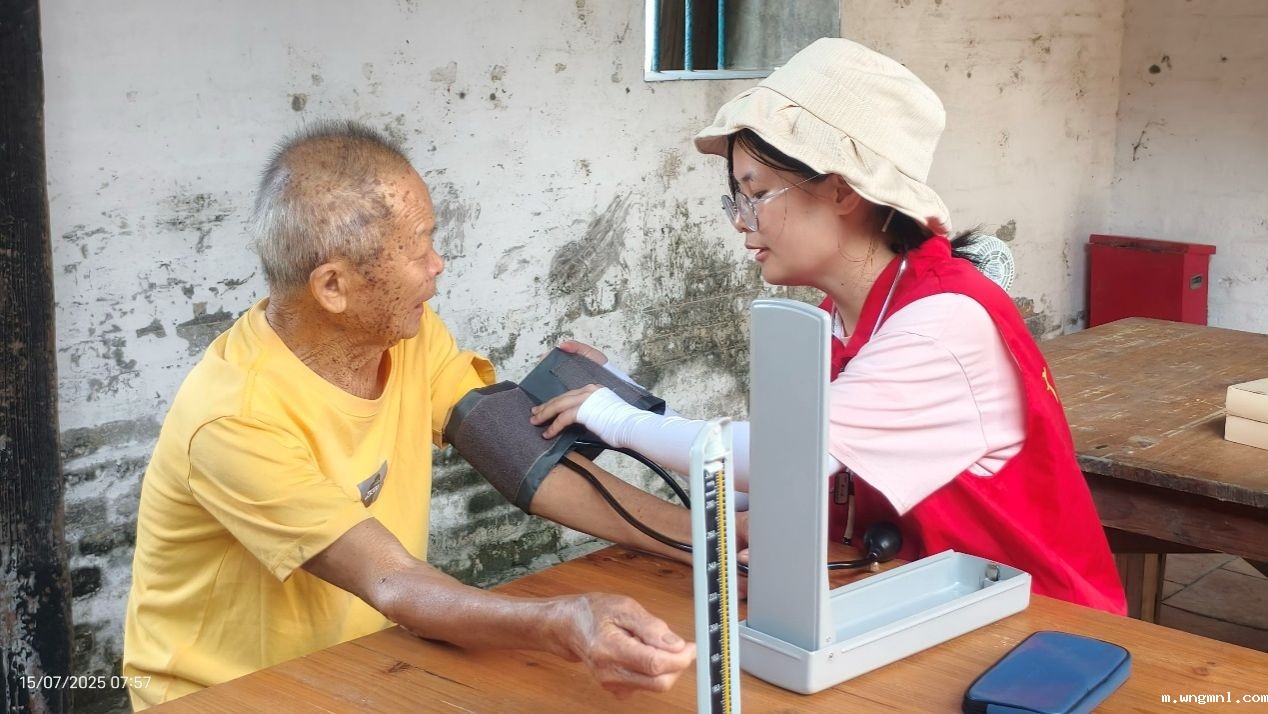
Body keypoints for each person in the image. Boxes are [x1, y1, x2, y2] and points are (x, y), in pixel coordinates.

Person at [530, 39, 1127, 615]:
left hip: (1043, 626)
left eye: (757, 194)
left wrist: (618, 418)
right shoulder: (838, 318)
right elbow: (798, 470)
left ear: (841, 190)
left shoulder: (939, 329)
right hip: (925, 596)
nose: (741, 221)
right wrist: (634, 401)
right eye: (737, 199)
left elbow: (778, 457)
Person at [122, 121, 696, 710]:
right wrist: (563, 621)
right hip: (225, 696)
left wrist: (706, 537)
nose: (438, 264)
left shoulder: (405, 336)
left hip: (360, 669)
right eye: (419, 248)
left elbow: (516, 451)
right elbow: (390, 578)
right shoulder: (234, 418)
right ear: (333, 286)